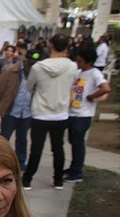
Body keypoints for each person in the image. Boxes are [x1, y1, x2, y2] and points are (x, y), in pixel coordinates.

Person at [22, 34, 78, 191]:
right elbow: (72, 83)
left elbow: (29, 86)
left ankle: (27, 180)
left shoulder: (38, 67)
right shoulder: (72, 66)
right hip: (61, 113)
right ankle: (58, 180)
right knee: (58, 147)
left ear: (50, 45)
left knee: (36, 148)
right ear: (66, 47)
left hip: (40, 112)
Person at [64, 47, 111, 183]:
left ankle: (77, 172)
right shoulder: (79, 73)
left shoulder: (95, 73)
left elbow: (106, 88)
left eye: (80, 61)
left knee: (78, 143)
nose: (77, 63)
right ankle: (73, 167)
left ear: (88, 62)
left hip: (83, 114)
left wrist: (92, 96)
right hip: (72, 112)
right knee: (73, 142)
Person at [0, 44, 34, 169]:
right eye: (30, 63)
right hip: (11, 112)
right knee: (4, 138)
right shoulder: (12, 70)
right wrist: (4, 103)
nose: (31, 66)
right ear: (25, 60)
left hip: (26, 113)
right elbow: (0, 88)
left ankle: (20, 162)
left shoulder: (36, 73)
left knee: (22, 139)